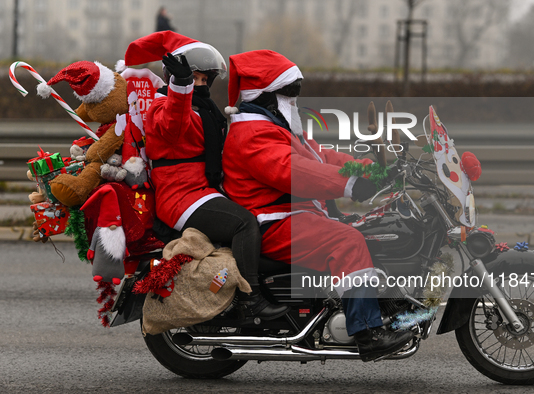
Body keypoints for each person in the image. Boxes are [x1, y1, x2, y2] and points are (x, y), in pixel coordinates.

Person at [222, 50, 414, 362]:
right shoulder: (251, 133)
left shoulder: (278, 126)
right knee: (347, 241)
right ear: (265, 96)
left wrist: (373, 172)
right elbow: (293, 171)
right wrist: (349, 184)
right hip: (273, 221)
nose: (295, 99)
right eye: (290, 91)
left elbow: (323, 158)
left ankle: (386, 303)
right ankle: (367, 333)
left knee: (370, 229)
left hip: (298, 214)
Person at [122, 32, 288, 320]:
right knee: (244, 224)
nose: (199, 83)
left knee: (265, 213)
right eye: (194, 78)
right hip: (181, 195)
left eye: (203, 79)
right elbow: (175, 125)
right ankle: (251, 299)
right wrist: (180, 85)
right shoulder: (164, 106)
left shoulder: (206, 107)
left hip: (204, 189)